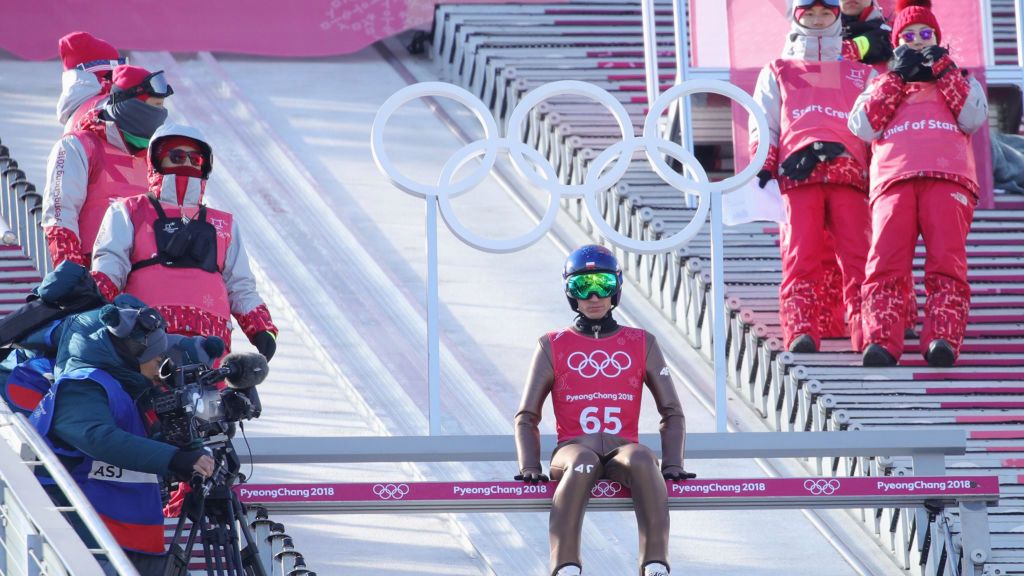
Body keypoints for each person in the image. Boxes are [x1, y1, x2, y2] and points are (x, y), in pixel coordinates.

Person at [513, 245, 693, 576]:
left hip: (622, 448)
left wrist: (672, 464)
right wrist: (529, 466)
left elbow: (672, 411)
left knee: (642, 458)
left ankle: (654, 563)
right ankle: (565, 565)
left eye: (604, 285)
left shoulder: (641, 342)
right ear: (570, 294)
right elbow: (527, 416)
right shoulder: (552, 344)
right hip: (573, 450)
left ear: (617, 290)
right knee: (582, 463)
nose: (594, 296)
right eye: (583, 287)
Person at [848, 0, 988, 367]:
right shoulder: (880, 82)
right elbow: (863, 125)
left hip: (949, 179)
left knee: (947, 262)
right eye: (908, 36)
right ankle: (881, 340)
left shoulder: (962, 78)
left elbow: (973, 117)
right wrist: (896, 79)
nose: (918, 42)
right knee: (886, 263)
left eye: (926, 35)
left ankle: (942, 338)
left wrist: (942, 71)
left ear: (939, 39)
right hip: (895, 181)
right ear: (896, 43)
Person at [30, 301, 215, 575]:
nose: (159, 367)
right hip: (88, 537)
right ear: (131, 354)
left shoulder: (122, 392)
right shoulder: (81, 384)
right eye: (154, 358)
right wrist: (173, 459)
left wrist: (185, 447)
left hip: (123, 535)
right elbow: (98, 438)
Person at [90, 124, 278, 359]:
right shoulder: (129, 211)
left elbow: (241, 286)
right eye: (177, 156)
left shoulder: (224, 224)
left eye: (196, 159)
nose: (187, 163)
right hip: (147, 337)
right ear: (157, 161)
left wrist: (262, 328)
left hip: (210, 344)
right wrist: (91, 302)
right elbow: (111, 265)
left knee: (218, 395)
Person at [750, 0, 873, 353]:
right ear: (796, 16)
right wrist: (764, 163)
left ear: (836, 16)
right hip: (798, 175)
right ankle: (802, 329)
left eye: (825, 13)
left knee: (858, 255)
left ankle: (869, 333)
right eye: (810, 13)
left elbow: (875, 126)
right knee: (800, 254)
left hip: (849, 173)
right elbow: (765, 122)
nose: (818, 20)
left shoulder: (860, 72)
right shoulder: (779, 69)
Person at [42, 64, 172, 269]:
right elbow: (60, 214)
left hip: (147, 271)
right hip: (95, 271)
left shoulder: (157, 157)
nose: (161, 114)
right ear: (133, 106)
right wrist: (72, 273)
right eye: (155, 106)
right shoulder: (79, 146)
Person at [55, 31, 125, 131]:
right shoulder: (105, 108)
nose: (120, 74)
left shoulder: (79, 104)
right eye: (116, 68)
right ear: (102, 70)